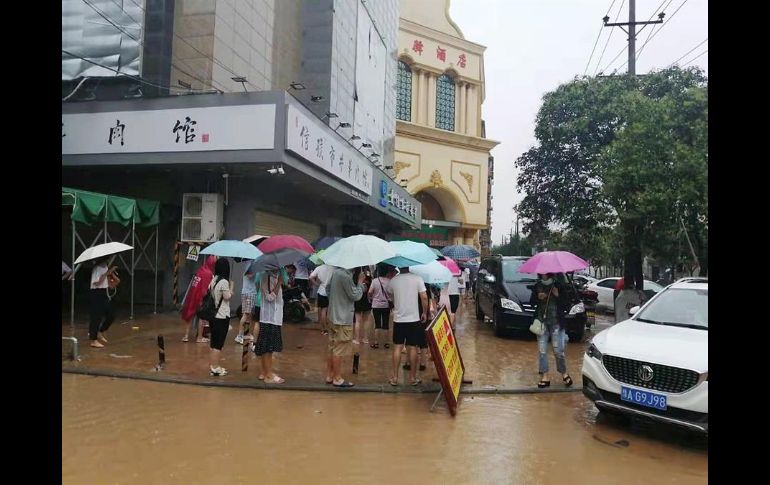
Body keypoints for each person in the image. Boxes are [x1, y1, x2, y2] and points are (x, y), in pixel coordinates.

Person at [387, 266, 428, 386]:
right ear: (409, 265)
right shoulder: (417, 278)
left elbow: (391, 296)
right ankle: (412, 378)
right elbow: (424, 297)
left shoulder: (394, 280)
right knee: (413, 347)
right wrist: (424, 312)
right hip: (414, 319)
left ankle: (394, 378)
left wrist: (396, 304)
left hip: (399, 319)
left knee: (397, 347)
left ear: (399, 266)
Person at [530, 272, 573, 388]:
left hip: (556, 323)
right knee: (542, 350)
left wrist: (558, 295)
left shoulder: (559, 286)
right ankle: (545, 376)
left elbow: (566, 305)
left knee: (558, 350)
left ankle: (564, 373)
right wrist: (537, 297)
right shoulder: (537, 286)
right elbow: (531, 303)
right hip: (542, 323)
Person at [325, 266, 365, 388]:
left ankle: (330, 375)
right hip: (343, 318)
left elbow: (327, 289)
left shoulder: (335, 273)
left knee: (332, 346)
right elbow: (355, 296)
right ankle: (337, 378)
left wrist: (335, 301)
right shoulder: (346, 276)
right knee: (340, 348)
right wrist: (360, 283)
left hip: (332, 315)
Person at [255, 268, 285, 384]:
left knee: (267, 347)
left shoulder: (273, 275)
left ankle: (265, 372)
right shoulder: (266, 276)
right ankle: (268, 374)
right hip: (269, 318)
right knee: (268, 348)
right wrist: (279, 283)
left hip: (273, 317)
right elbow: (270, 297)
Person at [180, 255, 217, 343]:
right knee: (202, 317)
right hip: (200, 298)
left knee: (190, 316)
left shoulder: (200, 270)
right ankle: (199, 337)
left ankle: (186, 336)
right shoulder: (209, 274)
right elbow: (206, 288)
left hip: (192, 295)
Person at [208, 258, 233, 376]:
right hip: (222, 316)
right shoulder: (224, 282)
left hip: (213, 315)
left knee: (214, 343)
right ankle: (215, 367)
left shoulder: (213, 280)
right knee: (218, 344)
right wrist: (232, 287)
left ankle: (214, 365)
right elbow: (227, 297)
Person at [88, 257, 119, 348]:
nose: (109, 260)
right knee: (96, 317)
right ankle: (93, 340)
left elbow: (111, 285)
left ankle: (100, 331)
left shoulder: (105, 268)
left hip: (103, 293)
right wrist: (107, 273)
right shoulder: (97, 268)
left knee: (111, 314)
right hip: (96, 293)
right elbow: (96, 283)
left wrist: (113, 277)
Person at [367, 264, 392, 349]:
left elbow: (370, 292)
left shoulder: (374, 281)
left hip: (376, 305)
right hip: (386, 305)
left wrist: (371, 298)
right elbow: (391, 293)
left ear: (378, 271)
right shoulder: (389, 281)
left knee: (377, 324)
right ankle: (386, 343)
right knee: (386, 324)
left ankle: (376, 343)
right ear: (386, 272)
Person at [235, 260, 259, 345]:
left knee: (250, 315)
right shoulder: (251, 265)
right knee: (246, 314)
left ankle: (247, 333)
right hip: (249, 293)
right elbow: (249, 275)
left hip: (250, 292)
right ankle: (240, 335)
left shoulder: (250, 264)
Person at [310, 263, 335, 335]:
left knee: (323, 310)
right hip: (331, 292)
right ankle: (331, 328)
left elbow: (311, 277)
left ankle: (324, 329)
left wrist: (316, 284)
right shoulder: (333, 268)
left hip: (321, 290)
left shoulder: (319, 268)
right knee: (329, 311)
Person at [352, 266, 373, 345]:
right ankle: (365, 338)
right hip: (367, 299)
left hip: (358, 299)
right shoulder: (368, 276)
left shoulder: (354, 276)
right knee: (366, 320)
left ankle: (357, 339)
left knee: (357, 320)